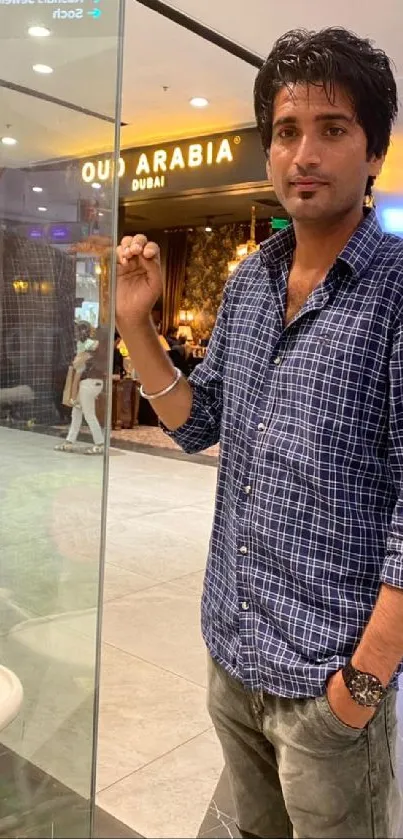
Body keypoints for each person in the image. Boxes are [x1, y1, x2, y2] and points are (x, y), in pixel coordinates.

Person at [116, 27, 403, 839]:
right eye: (285, 131)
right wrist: (138, 328)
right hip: (231, 652)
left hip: (328, 684)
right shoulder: (249, 285)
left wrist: (362, 685)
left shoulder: (394, 296)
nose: (303, 152)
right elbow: (196, 421)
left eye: (332, 129)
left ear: (373, 153)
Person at [55, 325, 107, 455]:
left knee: (88, 414)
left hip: (87, 383)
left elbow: (78, 368)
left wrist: (72, 394)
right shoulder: (97, 347)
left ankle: (100, 444)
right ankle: (69, 442)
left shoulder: (87, 348)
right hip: (93, 383)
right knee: (77, 412)